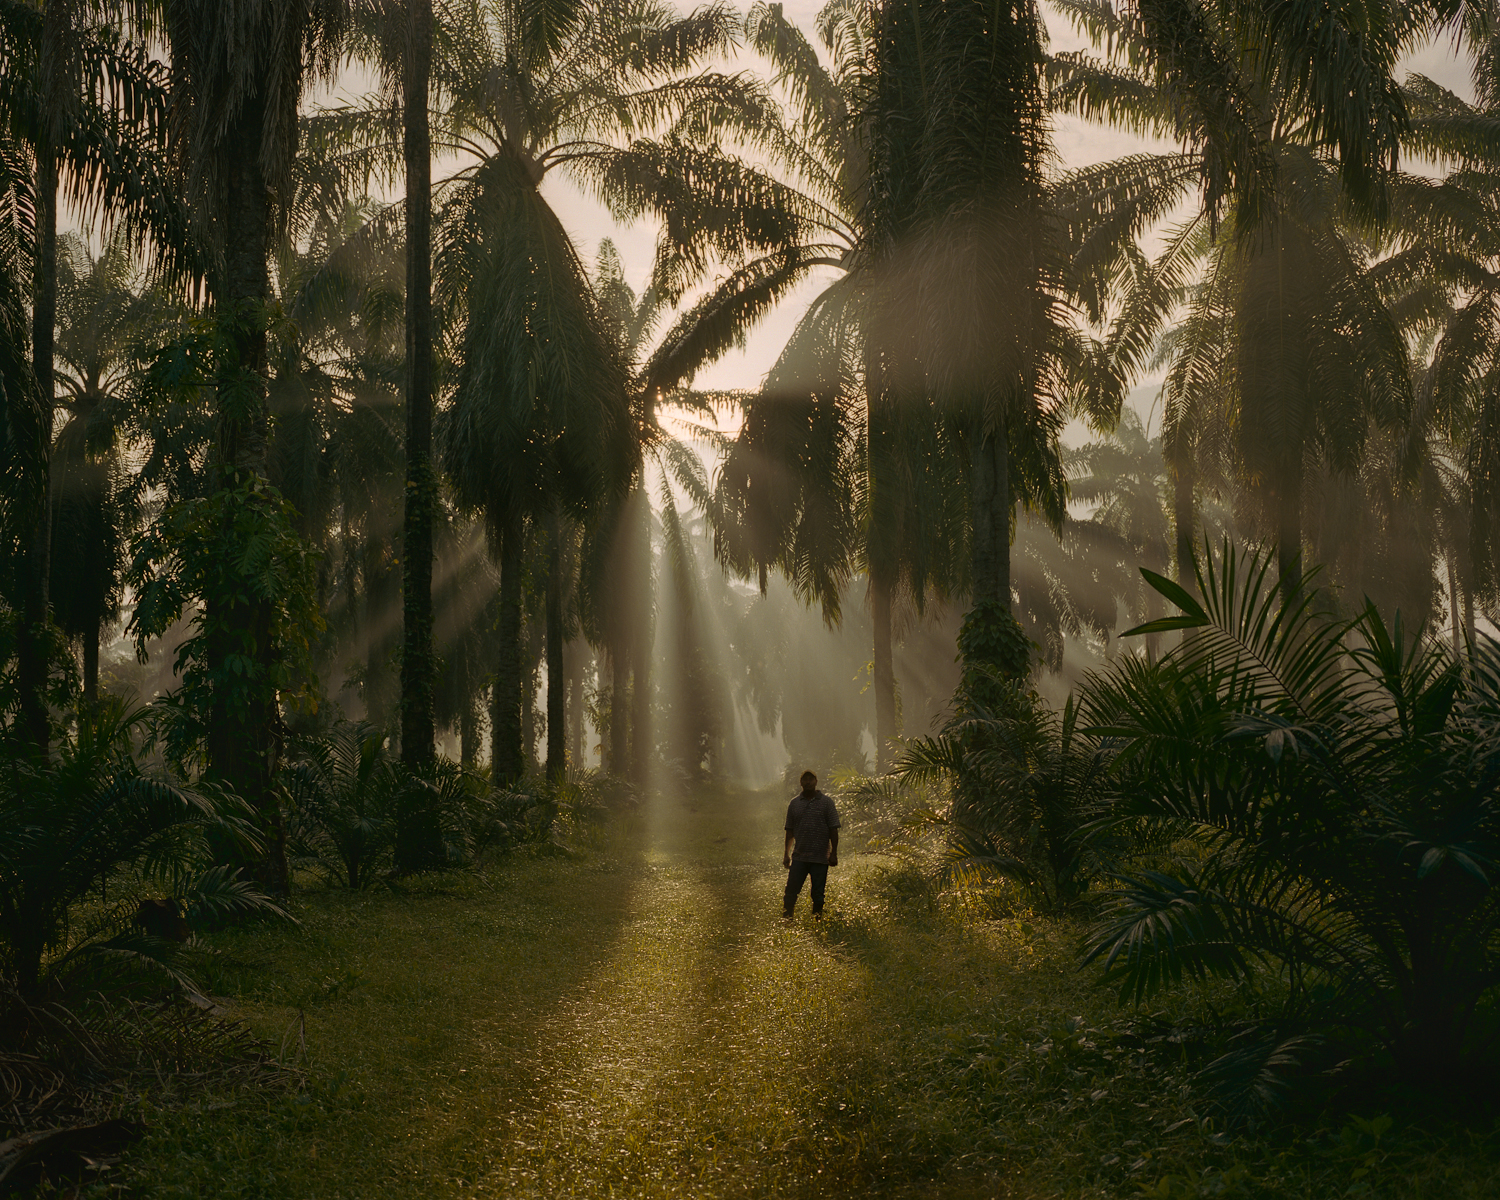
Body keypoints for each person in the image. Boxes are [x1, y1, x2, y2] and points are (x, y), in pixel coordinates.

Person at [783, 770, 840, 919]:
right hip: (799, 857)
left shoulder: (827, 802)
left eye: (811, 779)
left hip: (820, 857)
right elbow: (789, 831)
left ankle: (817, 922)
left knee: (818, 894)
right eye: (805, 779)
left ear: (816, 781)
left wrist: (833, 853)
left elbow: (833, 829)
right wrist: (786, 855)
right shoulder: (794, 804)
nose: (808, 782)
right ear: (800, 782)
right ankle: (787, 921)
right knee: (790, 892)